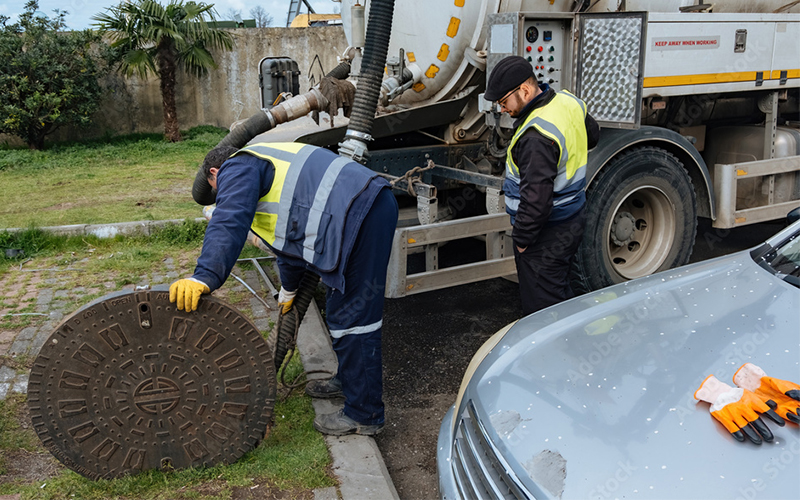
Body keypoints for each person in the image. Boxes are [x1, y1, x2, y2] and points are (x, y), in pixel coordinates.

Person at [169, 142, 398, 436]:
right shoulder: (264, 167)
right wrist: (288, 291)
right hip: (360, 210)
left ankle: (364, 415)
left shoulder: (238, 166)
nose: (222, 194)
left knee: (352, 320)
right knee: (342, 309)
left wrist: (204, 276)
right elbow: (290, 247)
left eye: (217, 189)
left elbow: (229, 220)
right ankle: (351, 381)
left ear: (215, 172)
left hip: (362, 213)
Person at [484, 56, 600, 316]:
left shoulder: (536, 136)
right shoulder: (568, 102)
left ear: (524, 90)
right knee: (558, 288)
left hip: (546, 232)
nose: (502, 109)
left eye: (503, 102)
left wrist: (523, 241)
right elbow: (593, 136)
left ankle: (559, 352)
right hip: (572, 216)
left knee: (543, 309)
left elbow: (537, 201)